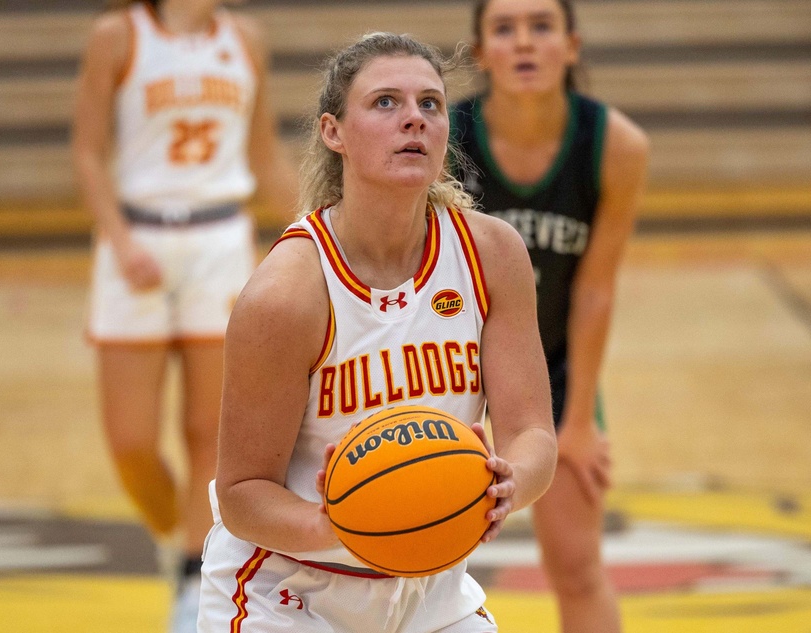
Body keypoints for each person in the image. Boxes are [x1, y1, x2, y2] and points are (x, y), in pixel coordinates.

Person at [200, 32, 558, 632]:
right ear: (333, 132)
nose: (413, 119)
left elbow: (533, 434)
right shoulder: (287, 293)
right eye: (385, 102)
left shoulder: (492, 255)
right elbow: (242, 492)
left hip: (431, 591)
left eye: (430, 104)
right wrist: (334, 524)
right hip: (287, 591)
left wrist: (509, 483)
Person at [70, 0, 294, 629]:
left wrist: (323, 233)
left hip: (219, 242)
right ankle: (175, 533)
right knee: (131, 443)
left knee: (208, 433)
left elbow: (264, 156)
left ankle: (195, 573)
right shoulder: (118, 36)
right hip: (136, 240)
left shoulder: (246, 38)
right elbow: (87, 152)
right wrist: (119, 241)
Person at [451, 1, 650, 631]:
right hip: (449, 365)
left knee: (576, 563)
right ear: (480, 53)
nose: (523, 42)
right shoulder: (442, 140)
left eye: (541, 26)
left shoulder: (616, 144)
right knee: (408, 559)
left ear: (572, 45)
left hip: (552, 366)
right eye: (504, 29)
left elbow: (595, 290)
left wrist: (580, 420)